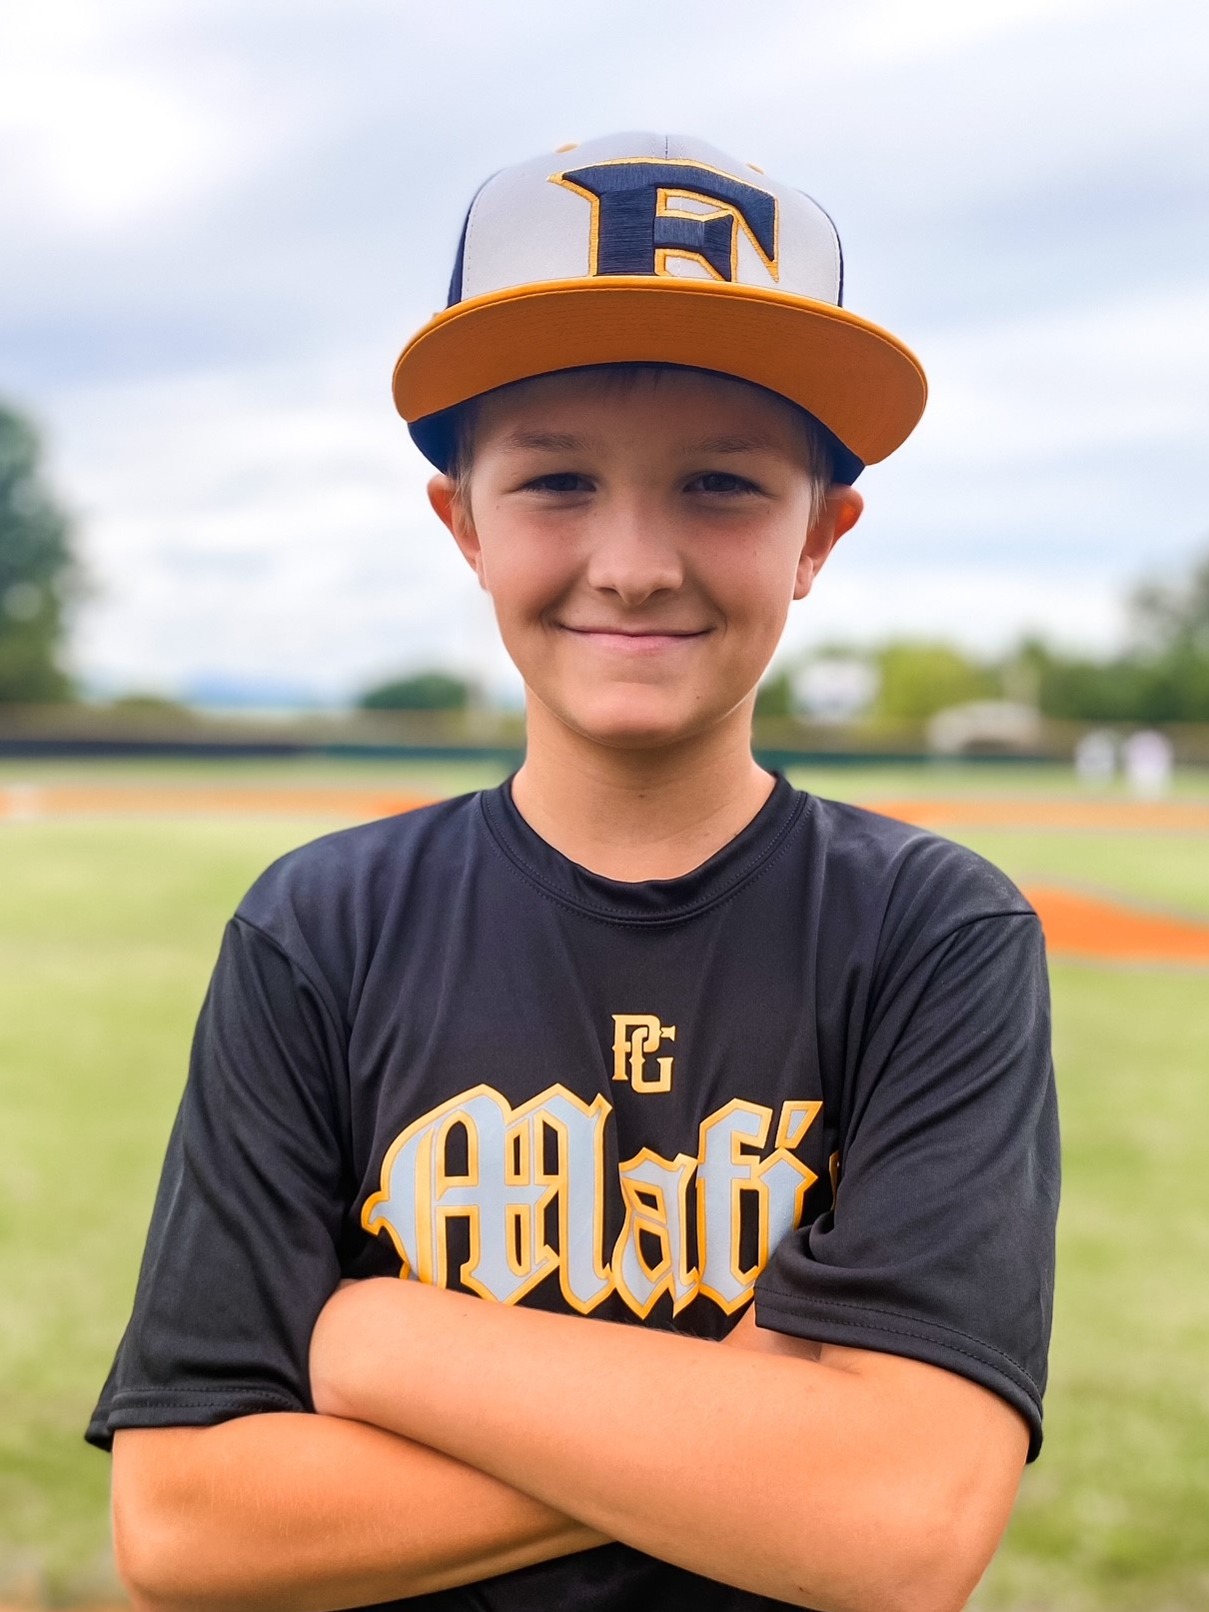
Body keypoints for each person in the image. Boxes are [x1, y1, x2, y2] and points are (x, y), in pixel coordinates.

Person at [89, 133, 1059, 1612]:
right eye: (555, 482)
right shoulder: (321, 926)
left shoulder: (932, 931)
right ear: (463, 524)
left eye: (721, 484)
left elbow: (896, 1524)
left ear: (820, 535)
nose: (633, 562)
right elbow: (187, 1528)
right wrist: (759, 1437)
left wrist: (383, 1342)